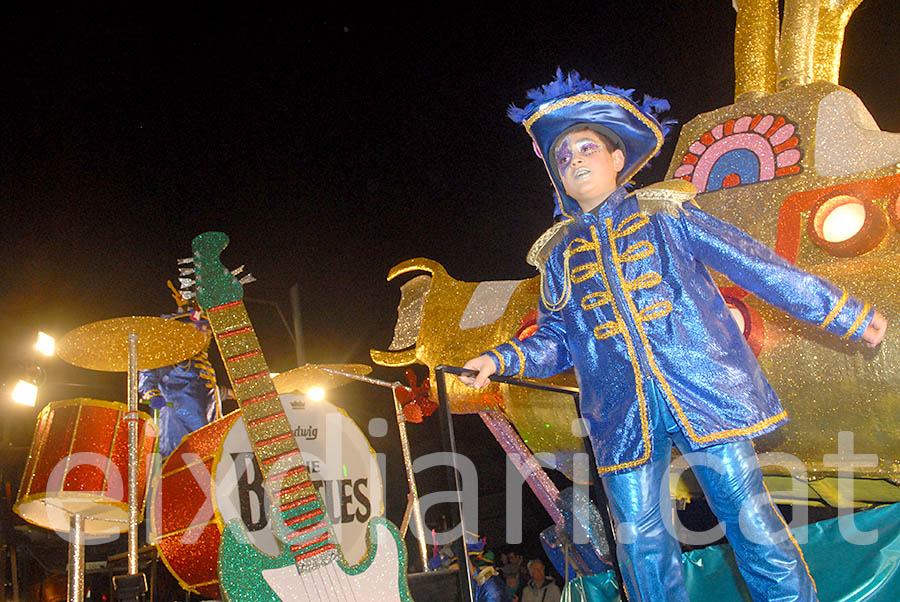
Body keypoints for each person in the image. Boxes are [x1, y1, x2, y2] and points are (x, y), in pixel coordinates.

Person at [460, 70, 887, 601]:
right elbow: (556, 341)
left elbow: (759, 267)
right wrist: (500, 360)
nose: (573, 162)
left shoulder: (667, 215)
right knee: (637, 537)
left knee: (746, 511)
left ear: (618, 159)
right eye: (562, 159)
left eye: (585, 147)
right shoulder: (557, 256)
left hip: (701, 385)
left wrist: (842, 312)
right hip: (618, 409)